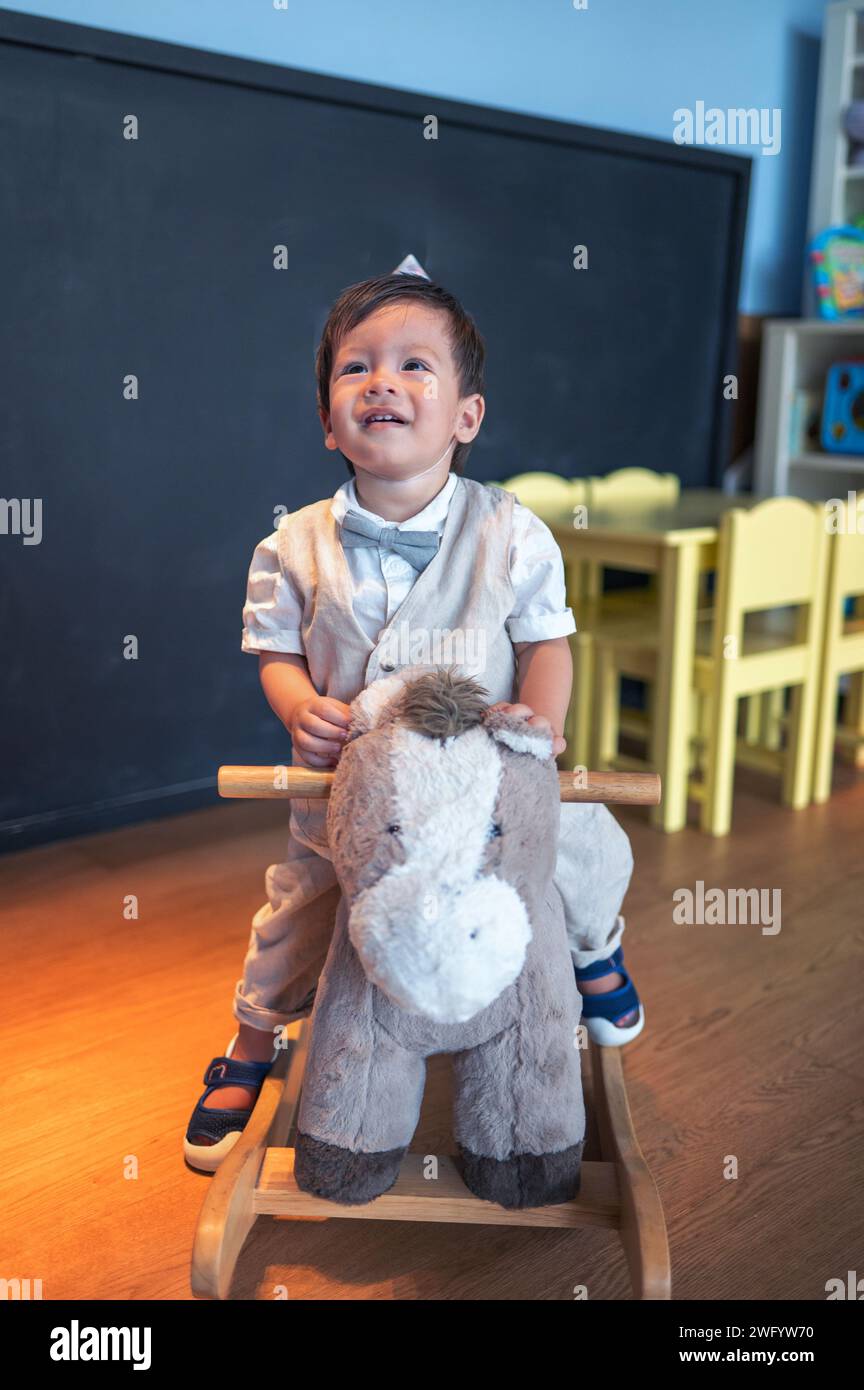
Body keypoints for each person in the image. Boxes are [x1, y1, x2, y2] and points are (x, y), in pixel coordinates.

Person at [184, 271, 644, 1172]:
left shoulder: (512, 531)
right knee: (302, 905)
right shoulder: (290, 546)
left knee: (579, 843)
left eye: (413, 366)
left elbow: (549, 642)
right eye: (356, 368)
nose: (381, 382)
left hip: (490, 783)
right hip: (360, 798)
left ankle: (595, 953)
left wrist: (540, 722)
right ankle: (252, 1039)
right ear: (328, 420)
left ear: (466, 416)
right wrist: (297, 705)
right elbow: (276, 654)